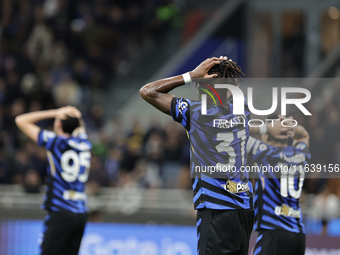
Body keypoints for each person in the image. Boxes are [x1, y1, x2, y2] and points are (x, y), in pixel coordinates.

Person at [140, 57, 254, 255]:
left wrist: (191, 75)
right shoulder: (243, 111)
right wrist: (226, 70)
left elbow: (148, 91)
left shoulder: (195, 113)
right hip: (243, 208)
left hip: (216, 208)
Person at [15, 106, 92, 255]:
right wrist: (76, 117)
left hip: (61, 210)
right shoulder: (84, 144)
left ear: (58, 124)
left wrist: (54, 112)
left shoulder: (54, 142)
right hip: (81, 212)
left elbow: (21, 120)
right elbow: (80, 128)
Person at [247, 115, 310, 255]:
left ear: (267, 136)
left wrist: (265, 127)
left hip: (273, 231)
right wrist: (290, 126)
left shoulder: (263, 152)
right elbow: (304, 135)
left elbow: (235, 132)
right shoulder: (299, 155)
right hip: (298, 235)